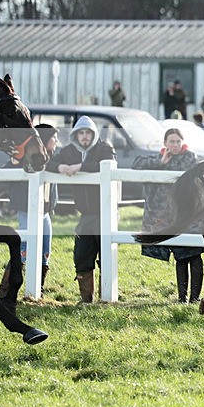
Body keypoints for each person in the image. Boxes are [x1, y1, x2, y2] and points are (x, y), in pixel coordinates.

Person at [133, 128, 204, 303]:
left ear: (183, 143)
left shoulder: (190, 158)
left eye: (177, 141)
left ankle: (195, 298)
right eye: (171, 141)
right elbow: (136, 164)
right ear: (165, 143)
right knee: (180, 256)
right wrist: (161, 162)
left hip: (191, 213)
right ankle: (182, 298)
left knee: (194, 255)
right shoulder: (158, 158)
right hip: (169, 217)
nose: (175, 145)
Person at [47, 116, 116, 303]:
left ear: (93, 134)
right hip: (85, 214)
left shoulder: (104, 148)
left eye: (88, 133)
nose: (85, 137)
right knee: (82, 255)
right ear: (75, 135)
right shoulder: (68, 151)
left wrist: (82, 167)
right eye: (81, 133)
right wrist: (60, 166)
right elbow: (48, 162)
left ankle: (106, 298)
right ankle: (87, 299)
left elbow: (109, 164)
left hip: (105, 212)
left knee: (106, 255)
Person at [0, 124, 59, 298]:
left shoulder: (52, 158)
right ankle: (5, 292)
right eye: (54, 137)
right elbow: (4, 174)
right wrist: (14, 162)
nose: (56, 141)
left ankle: (37, 290)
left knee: (45, 250)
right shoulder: (24, 158)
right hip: (26, 209)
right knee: (23, 248)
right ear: (45, 141)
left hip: (44, 211)